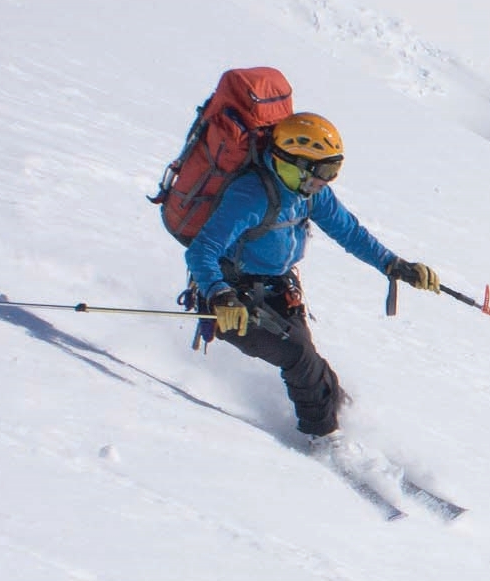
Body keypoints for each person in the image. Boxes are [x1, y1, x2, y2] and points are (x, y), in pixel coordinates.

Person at [183, 112, 439, 438]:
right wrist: (220, 295)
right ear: (293, 162)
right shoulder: (251, 196)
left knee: (308, 360)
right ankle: (324, 438)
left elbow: (349, 232)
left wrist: (394, 264)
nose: (327, 180)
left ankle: (345, 415)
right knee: (299, 357)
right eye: (324, 170)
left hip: (276, 291)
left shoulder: (309, 193)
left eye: (333, 170)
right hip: (230, 299)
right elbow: (200, 251)